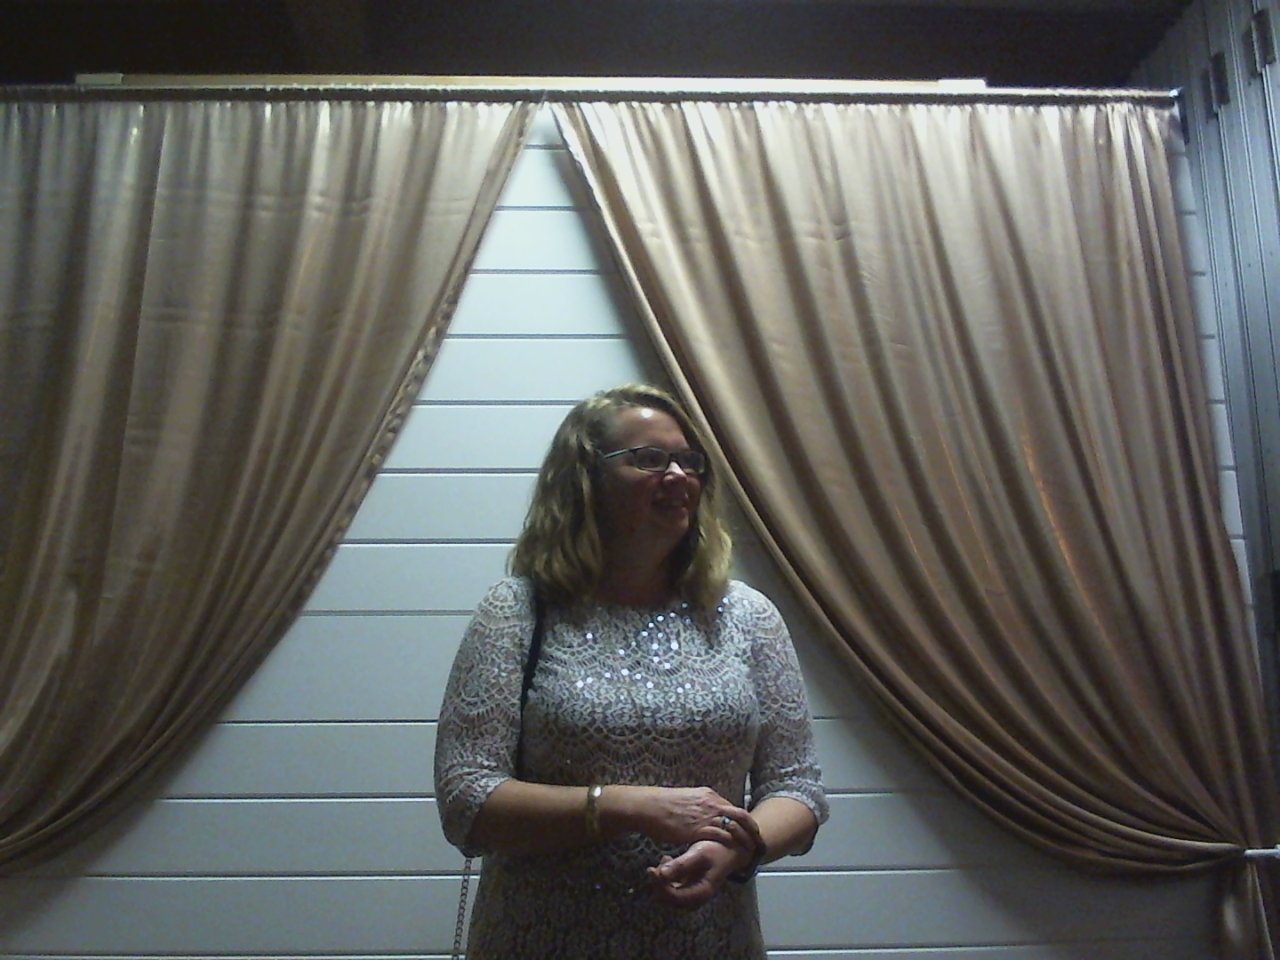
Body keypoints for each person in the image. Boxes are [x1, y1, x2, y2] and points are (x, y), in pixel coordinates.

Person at [434, 383, 828, 959]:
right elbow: (467, 799)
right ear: (584, 481)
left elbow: (797, 789)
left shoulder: (747, 616)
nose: (678, 475)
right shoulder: (518, 611)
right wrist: (629, 807)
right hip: (541, 941)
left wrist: (739, 847)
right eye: (649, 459)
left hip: (709, 943)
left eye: (689, 461)